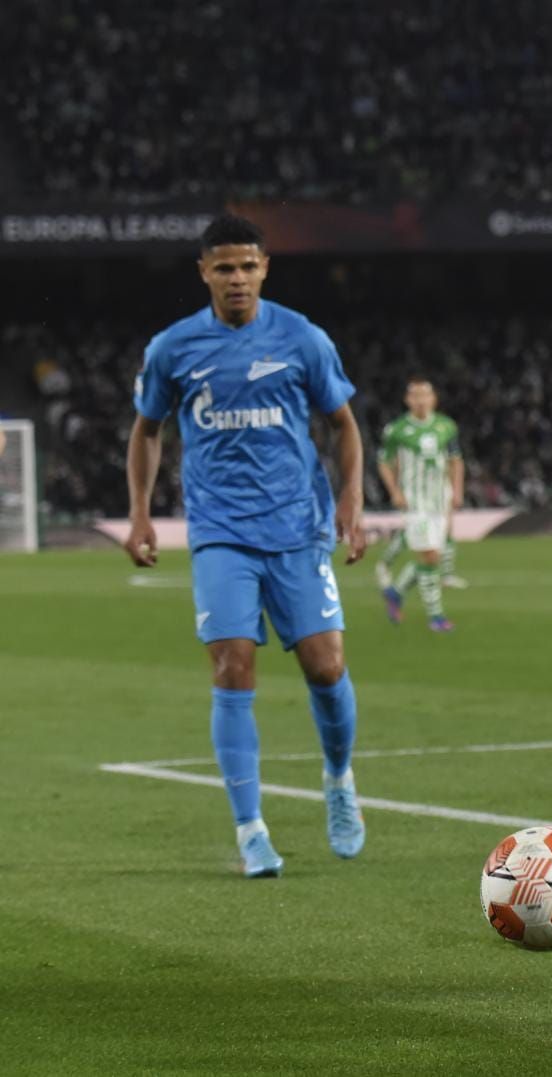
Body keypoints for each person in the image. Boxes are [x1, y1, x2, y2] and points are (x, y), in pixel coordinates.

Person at [125, 214, 368, 878]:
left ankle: (340, 780)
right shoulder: (173, 348)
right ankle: (251, 828)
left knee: (325, 666)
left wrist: (352, 498)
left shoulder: (301, 337)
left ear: (265, 268)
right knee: (232, 667)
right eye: (224, 267)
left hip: (296, 528)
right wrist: (141, 513)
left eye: (248, 265)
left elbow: (343, 423)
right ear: (203, 271)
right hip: (220, 533)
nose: (237, 278)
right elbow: (146, 430)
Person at [376, 376, 465, 632]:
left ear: (433, 398)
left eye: (425, 394)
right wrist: (394, 491)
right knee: (429, 555)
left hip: (440, 500)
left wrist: (457, 490)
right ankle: (436, 616)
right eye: (415, 395)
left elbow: (456, 460)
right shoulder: (397, 430)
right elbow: (384, 461)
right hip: (415, 502)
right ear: (407, 400)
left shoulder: (446, 426)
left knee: (431, 557)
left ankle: (395, 592)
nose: (420, 400)